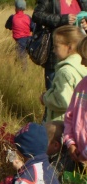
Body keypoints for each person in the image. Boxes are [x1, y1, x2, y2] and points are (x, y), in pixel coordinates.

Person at [32, 0, 87, 90]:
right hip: (57, 54)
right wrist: (62, 19)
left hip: (79, 56)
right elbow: (37, 15)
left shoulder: (82, 1)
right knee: (54, 94)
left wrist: (85, 24)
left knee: (78, 96)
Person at [40, 25, 87, 122]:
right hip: (77, 120)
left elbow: (63, 101)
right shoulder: (82, 65)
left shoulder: (65, 72)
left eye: (56, 47)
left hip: (61, 123)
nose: (53, 50)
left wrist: (45, 98)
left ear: (69, 47)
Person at [64, 35, 87, 165]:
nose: (82, 63)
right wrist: (70, 142)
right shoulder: (82, 85)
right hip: (78, 155)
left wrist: (85, 154)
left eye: (84, 58)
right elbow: (69, 116)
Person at [5, 0, 35, 70]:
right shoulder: (28, 17)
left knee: (22, 58)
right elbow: (33, 27)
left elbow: (7, 26)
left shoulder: (12, 17)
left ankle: (24, 73)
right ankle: (18, 68)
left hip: (20, 41)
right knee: (25, 57)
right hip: (29, 39)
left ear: (15, 7)